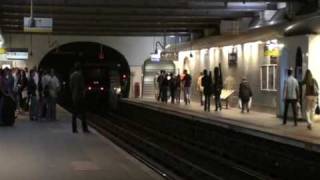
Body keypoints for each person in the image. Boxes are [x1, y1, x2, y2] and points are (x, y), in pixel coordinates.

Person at [69, 63, 89, 133]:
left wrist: (73, 93)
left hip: (74, 96)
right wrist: (84, 93)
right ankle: (84, 128)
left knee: (74, 114)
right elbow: (82, 86)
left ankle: (74, 129)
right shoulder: (80, 75)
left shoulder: (71, 76)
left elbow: (70, 86)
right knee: (83, 113)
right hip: (80, 97)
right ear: (80, 69)